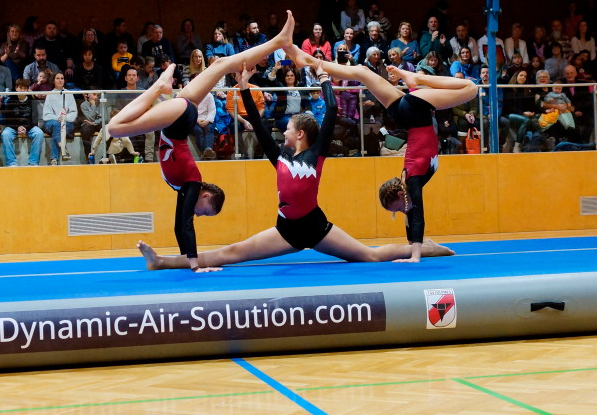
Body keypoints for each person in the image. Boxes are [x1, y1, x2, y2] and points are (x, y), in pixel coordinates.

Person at [138, 56, 455, 271]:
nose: (284, 130)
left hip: (317, 227)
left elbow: (331, 111)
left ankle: (426, 248)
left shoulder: (316, 155)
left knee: (368, 256)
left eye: (288, 128)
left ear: (300, 134)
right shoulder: (279, 159)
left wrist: (324, 79)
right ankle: (162, 262)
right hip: (286, 230)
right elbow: (258, 126)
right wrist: (244, 88)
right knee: (230, 254)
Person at [108, 13, 298, 270]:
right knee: (115, 128)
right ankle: (160, 86)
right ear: (206, 195)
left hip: (181, 116)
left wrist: (186, 261)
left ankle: (279, 41)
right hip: (176, 122)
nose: (199, 214)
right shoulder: (192, 184)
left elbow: (179, 226)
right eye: (205, 210)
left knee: (221, 65)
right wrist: (196, 266)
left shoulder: (186, 188)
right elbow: (187, 224)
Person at [313, 54, 475, 261]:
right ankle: (307, 59)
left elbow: (417, 218)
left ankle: (417, 78)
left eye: (396, 209)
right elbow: (412, 218)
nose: (400, 212)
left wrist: (415, 256)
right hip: (408, 114)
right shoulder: (409, 184)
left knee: (471, 88)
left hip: (415, 114)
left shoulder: (413, 181)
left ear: (400, 195)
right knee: (362, 72)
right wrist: (421, 247)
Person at [0, 78, 46, 167]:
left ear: (28, 90)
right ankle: (12, 163)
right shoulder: (10, 100)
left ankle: (33, 162)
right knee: (5, 134)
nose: (22, 90)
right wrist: (18, 127)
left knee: (39, 133)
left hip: (28, 127)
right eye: (20, 88)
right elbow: (8, 118)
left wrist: (25, 127)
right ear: (16, 88)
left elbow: (34, 119)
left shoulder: (32, 101)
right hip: (13, 126)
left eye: (25, 88)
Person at [41, 71, 78, 164]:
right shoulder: (50, 94)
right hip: (51, 122)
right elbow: (46, 114)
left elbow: (74, 112)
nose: (60, 80)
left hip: (66, 122)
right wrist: (58, 118)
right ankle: (63, 149)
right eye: (57, 78)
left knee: (57, 129)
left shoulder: (69, 93)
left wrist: (64, 118)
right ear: (53, 81)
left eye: (62, 78)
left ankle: (54, 159)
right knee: (57, 125)